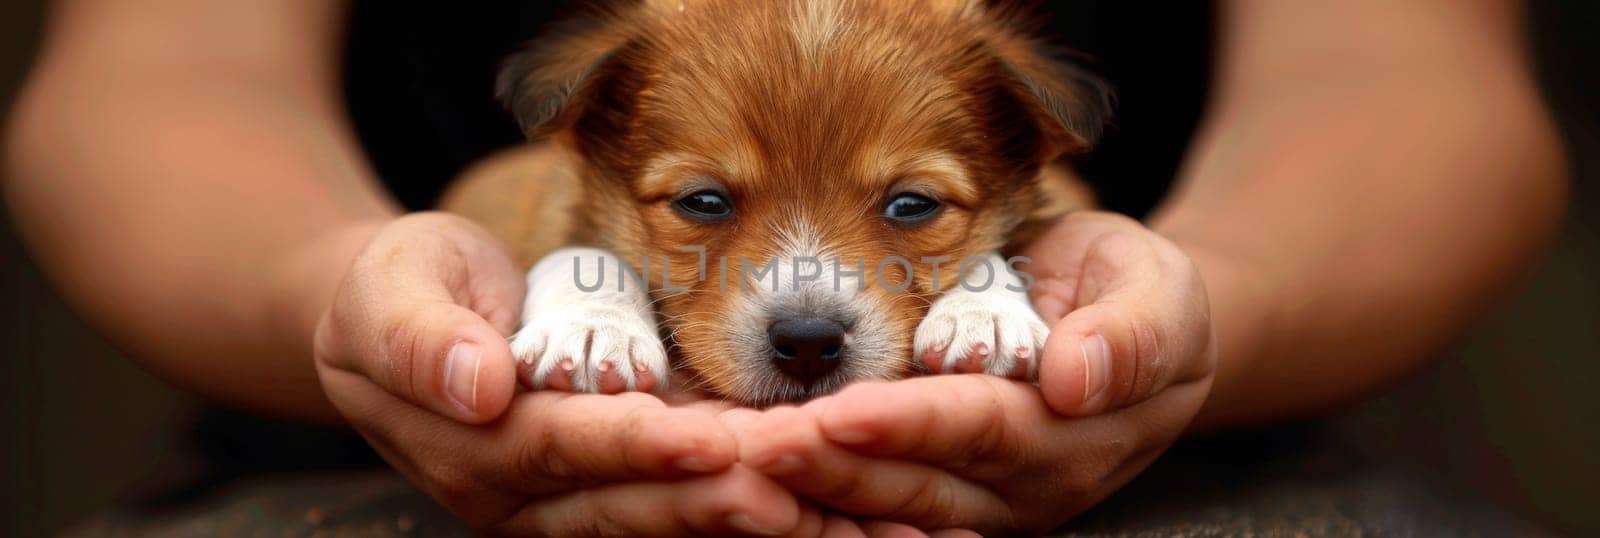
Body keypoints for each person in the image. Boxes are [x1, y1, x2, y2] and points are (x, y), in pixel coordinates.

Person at [3, 0, 1566, 535]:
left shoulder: (1033, 167)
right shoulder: (568, 172)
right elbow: (154, 79)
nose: (805, 302)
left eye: (914, 211)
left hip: (1183, 471)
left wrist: (1203, 303)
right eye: (700, 205)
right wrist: (335, 285)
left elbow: (1410, 82)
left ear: (1022, 165)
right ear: (599, 150)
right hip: (352, 464)